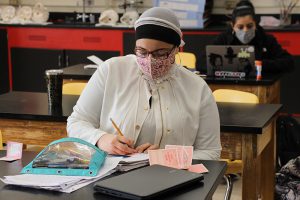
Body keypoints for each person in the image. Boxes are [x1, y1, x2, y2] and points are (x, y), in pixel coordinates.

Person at [67, 7, 221, 160]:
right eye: (142, 52)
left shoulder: (197, 88)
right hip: (110, 175)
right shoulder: (112, 70)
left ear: (177, 49)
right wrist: (101, 139)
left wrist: (167, 156)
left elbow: (210, 152)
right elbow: (77, 122)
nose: (150, 60)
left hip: (172, 178)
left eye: (160, 53)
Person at [213, 0, 294, 73]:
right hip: (229, 85)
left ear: (256, 25)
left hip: (260, 85)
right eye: (240, 27)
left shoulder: (267, 39)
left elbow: (288, 62)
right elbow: (203, 61)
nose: (245, 30)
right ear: (233, 26)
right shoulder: (223, 39)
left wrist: (261, 64)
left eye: (250, 26)